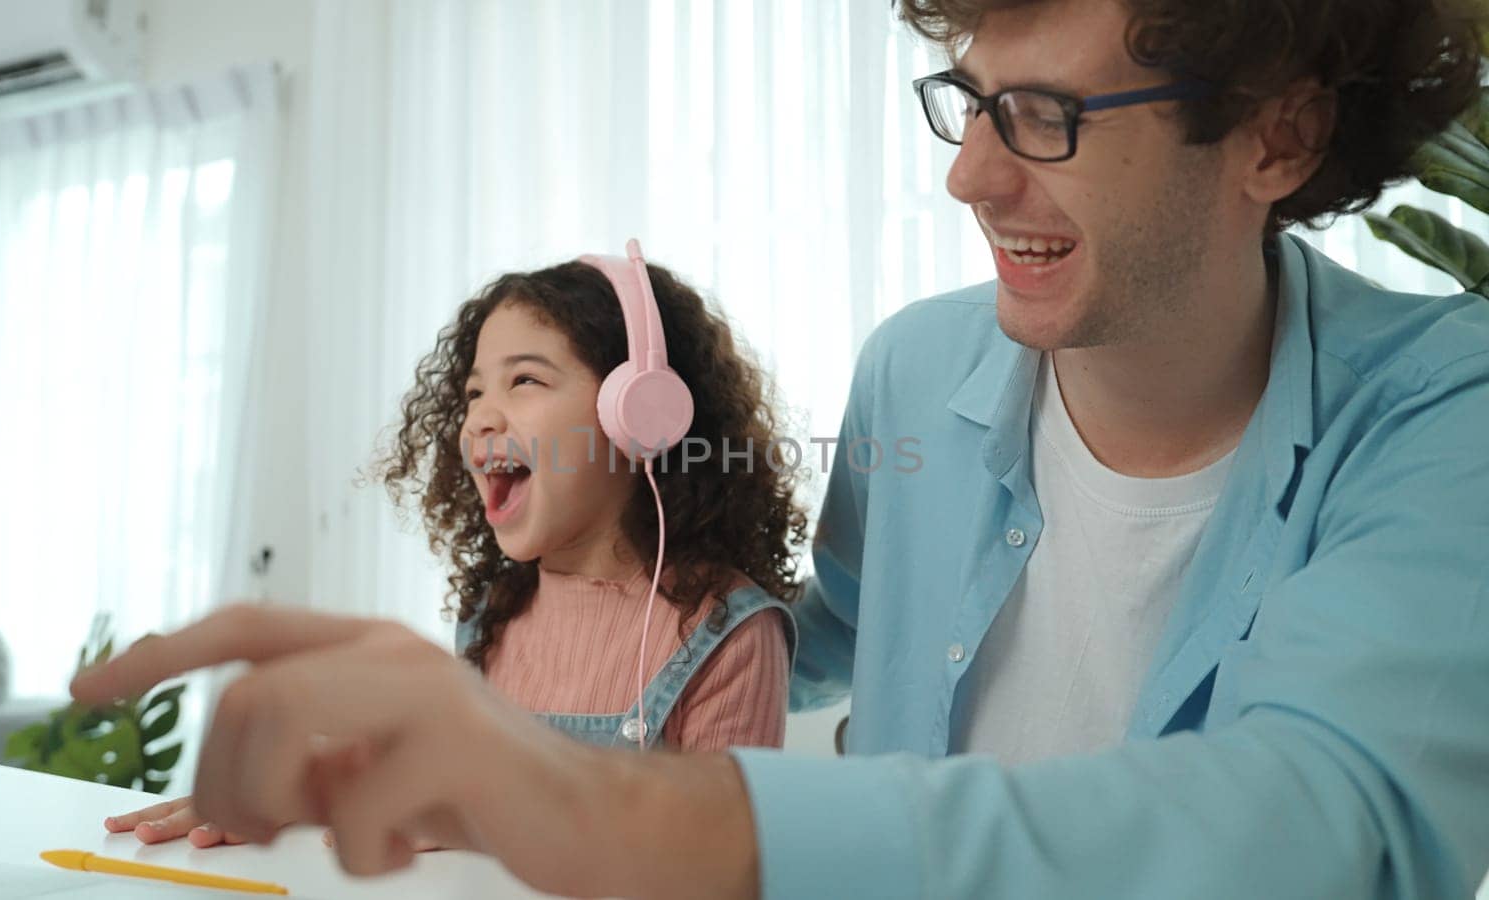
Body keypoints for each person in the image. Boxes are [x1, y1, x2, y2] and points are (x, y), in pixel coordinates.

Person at [72, 0, 1489, 897]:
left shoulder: (1442, 409)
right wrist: (589, 609)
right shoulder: (919, 366)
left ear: (1278, 137)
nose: (971, 176)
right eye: (973, 101)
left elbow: (1328, 816)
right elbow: (824, 629)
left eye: (1047, 117)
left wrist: (612, 809)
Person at [99, 256, 806, 849]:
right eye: (472, 392)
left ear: (641, 414)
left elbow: (713, 867)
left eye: (525, 380)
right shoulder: (494, 612)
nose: (479, 417)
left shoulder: (727, 633)